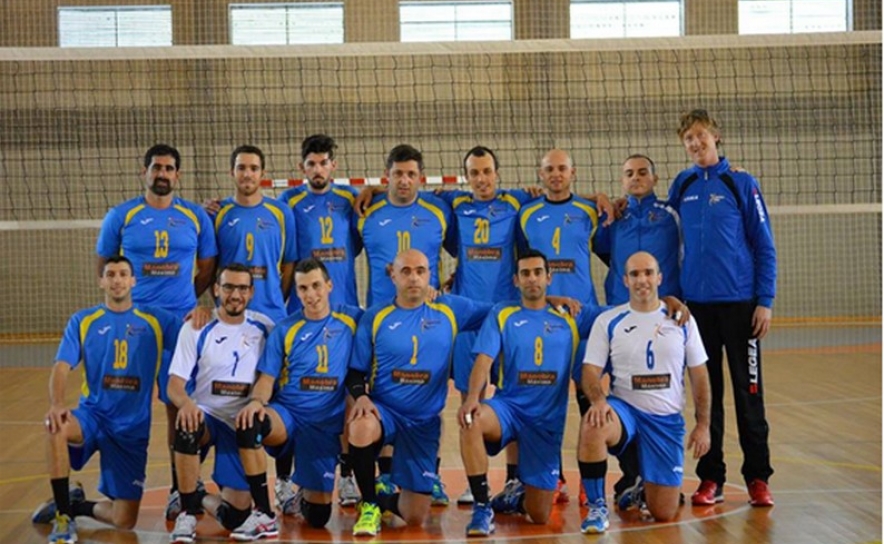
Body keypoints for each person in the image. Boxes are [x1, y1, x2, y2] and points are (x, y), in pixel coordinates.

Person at [95, 144, 217, 517]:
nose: (162, 174)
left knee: (175, 406)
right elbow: (105, 267)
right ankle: (118, 487)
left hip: (178, 326)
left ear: (177, 175)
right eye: (156, 167)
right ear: (144, 172)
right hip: (133, 325)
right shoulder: (122, 215)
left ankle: (181, 489)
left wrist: (186, 303)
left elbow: (209, 266)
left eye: (169, 168)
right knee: (124, 405)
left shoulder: (195, 216)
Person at [668, 109, 777, 507]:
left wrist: (764, 301)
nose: (696, 144)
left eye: (701, 136)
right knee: (706, 396)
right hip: (697, 310)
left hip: (740, 307)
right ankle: (711, 478)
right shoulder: (683, 185)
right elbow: (666, 230)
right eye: (688, 140)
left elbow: (764, 245)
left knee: (749, 395)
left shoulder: (741, 182)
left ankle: (758, 478)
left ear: (716, 137)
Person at [31, 256, 181, 544]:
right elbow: (61, 367)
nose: (117, 280)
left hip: (130, 428)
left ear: (133, 281)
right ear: (101, 281)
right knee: (56, 425)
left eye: (123, 274)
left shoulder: (156, 320)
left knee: (124, 521)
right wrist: (57, 403)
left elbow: (193, 337)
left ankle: (76, 505)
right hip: (93, 416)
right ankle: (63, 517)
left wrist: (199, 315)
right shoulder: (84, 321)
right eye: (110, 274)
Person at [345, 249, 493, 536]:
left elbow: (499, 311)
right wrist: (361, 396)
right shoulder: (375, 317)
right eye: (406, 271)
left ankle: (380, 496)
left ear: (430, 275)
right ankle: (369, 506)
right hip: (385, 413)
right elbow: (355, 371)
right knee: (360, 425)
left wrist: (547, 300)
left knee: (415, 515)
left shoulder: (451, 309)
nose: (414, 277)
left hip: (423, 423)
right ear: (392, 275)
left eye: (421, 271)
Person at [458, 248, 604, 537]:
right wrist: (473, 398)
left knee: (538, 516)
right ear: (516, 280)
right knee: (471, 420)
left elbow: (622, 312)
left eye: (538, 272)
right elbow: (483, 360)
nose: (532, 279)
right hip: (508, 409)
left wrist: (668, 300)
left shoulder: (571, 314)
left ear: (549, 277)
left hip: (546, 422)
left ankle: (517, 497)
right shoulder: (502, 313)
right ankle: (482, 505)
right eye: (525, 273)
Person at [577, 251, 711, 533]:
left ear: (659, 278)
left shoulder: (682, 320)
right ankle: (597, 507)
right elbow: (589, 370)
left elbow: (699, 376)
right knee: (593, 422)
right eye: (635, 274)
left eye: (648, 273)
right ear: (625, 280)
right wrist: (599, 400)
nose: (642, 280)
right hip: (626, 412)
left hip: (665, 419)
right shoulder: (609, 320)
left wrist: (703, 425)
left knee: (664, 512)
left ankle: (641, 490)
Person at [232, 258, 363, 535]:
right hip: (288, 416)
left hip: (325, 424)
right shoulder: (285, 329)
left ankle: (305, 485)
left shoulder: (351, 319)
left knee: (317, 518)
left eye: (316, 286)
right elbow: (266, 379)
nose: (311, 295)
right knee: (250, 424)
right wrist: (256, 402)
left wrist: (431, 295)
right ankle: (264, 512)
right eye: (303, 288)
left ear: (329, 286)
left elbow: (391, 313)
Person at [278, 134, 363, 507]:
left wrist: (373, 187)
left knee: (345, 395)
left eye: (323, 163)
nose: (317, 169)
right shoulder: (289, 202)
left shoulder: (349, 200)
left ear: (334, 166)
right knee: (296, 396)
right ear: (302, 168)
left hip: (344, 314)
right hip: (304, 318)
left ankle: (347, 476)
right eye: (310, 164)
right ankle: (285, 479)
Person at [166, 263, 274, 543]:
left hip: (240, 422)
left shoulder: (265, 327)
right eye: (228, 287)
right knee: (186, 426)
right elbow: (174, 385)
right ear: (216, 289)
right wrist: (187, 404)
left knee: (236, 516)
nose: (234, 294)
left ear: (250, 293)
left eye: (241, 288)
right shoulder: (196, 327)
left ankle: (198, 496)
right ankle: (187, 512)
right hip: (207, 417)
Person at [357, 144, 454, 308]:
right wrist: (370, 189)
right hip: (381, 312)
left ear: (421, 178)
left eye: (411, 174)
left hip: (429, 311)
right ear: (387, 175)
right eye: (398, 173)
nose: (404, 180)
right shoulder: (365, 210)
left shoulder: (440, 210)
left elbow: (461, 252)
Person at [213, 145, 297, 323]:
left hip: (272, 315)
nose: (247, 174)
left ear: (263, 173)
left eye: (254, 168)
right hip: (230, 315)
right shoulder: (218, 212)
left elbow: (289, 265)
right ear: (231, 172)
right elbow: (210, 266)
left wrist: (277, 301)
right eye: (241, 168)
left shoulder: (281, 213)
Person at [594, 154, 682, 305]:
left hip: (665, 302)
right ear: (623, 181)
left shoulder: (672, 214)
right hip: (620, 301)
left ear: (655, 179)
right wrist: (598, 196)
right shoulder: (612, 216)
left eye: (642, 173)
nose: (635, 177)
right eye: (629, 174)